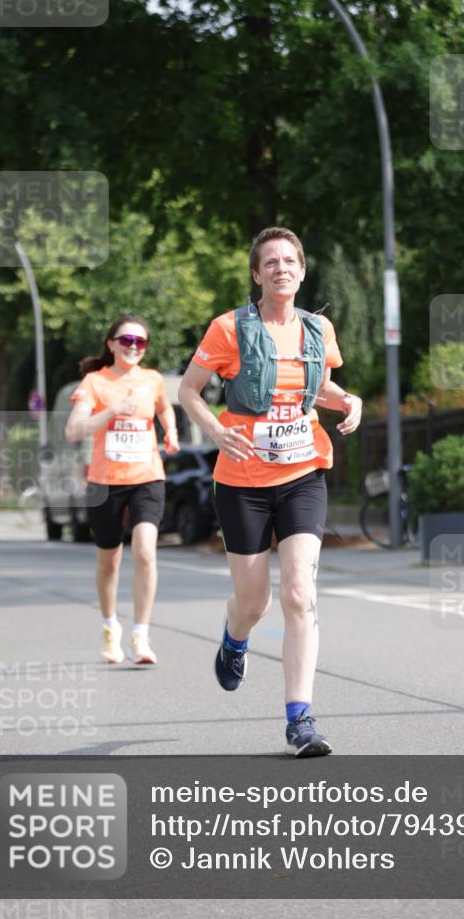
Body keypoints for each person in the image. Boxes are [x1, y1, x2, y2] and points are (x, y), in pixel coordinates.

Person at [179, 227, 362, 756]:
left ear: (302, 272)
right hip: (242, 482)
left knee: (299, 593)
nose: (282, 268)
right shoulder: (229, 328)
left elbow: (316, 386)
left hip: (304, 472)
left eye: (291, 261)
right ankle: (235, 638)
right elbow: (190, 390)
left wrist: (350, 400)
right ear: (257, 274)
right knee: (254, 602)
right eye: (271, 262)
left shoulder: (317, 328)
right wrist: (215, 431)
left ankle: (299, 719)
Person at [65, 314, 180, 666]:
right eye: (126, 341)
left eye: (140, 342)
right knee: (109, 560)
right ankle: (109, 626)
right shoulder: (95, 383)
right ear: (111, 344)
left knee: (146, 551)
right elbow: (74, 430)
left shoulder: (153, 379)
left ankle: (141, 635)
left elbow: (164, 409)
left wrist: (170, 432)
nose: (133, 347)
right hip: (105, 481)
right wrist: (112, 410)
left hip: (146, 476)